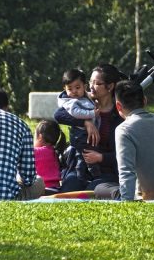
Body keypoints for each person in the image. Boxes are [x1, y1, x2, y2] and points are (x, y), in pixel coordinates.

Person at [95, 80, 154, 201]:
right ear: (145, 101)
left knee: (100, 187)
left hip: (148, 196)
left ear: (118, 106)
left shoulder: (124, 129)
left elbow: (126, 170)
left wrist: (127, 200)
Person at [54, 64, 125, 192]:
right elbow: (58, 115)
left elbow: (124, 154)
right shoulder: (84, 103)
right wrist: (86, 122)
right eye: (90, 82)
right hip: (79, 167)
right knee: (69, 189)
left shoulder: (119, 115)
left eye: (97, 83)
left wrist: (100, 157)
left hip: (106, 170)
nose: (91, 87)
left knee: (95, 189)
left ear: (110, 86)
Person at [57, 69, 101, 181]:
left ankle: (85, 174)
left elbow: (89, 99)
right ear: (65, 89)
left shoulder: (84, 96)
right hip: (80, 135)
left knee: (83, 155)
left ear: (84, 86)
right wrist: (90, 114)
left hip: (84, 135)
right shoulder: (71, 102)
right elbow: (76, 113)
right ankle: (90, 175)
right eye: (70, 89)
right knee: (85, 155)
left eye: (77, 87)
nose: (74, 91)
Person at [34, 119, 66, 190]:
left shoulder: (35, 152)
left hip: (42, 190)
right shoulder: (55, 151)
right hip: (56, 189)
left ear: (40, 137)